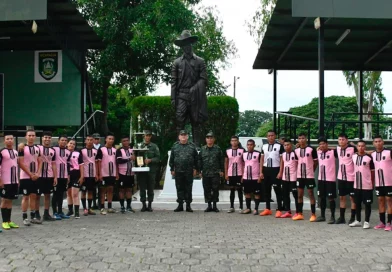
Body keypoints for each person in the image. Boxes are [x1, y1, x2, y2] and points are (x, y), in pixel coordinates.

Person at [171, 30, 208, 147]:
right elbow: (173, 82)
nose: (186, 46)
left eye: (188, 43)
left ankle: (196, 147)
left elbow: (204, 79)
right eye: (184, 44)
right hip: (181, 96)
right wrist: (173, 98)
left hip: (194, 96)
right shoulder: (177, 62)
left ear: (191, 44)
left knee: (196, 122)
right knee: (179, 121)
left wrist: (195, 88)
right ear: (182, 46)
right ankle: (178, 146)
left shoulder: (200, 61)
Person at [169, 130, 198, 212]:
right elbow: (172, 158)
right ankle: (180, 205)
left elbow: (196, 159)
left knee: (188, 188)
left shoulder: (192, 146)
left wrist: (195, 169)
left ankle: (188, 205)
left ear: (187, 137)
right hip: (178, 171)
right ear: (179, 137)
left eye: (185, 135)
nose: (183, 137)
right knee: (179, 187)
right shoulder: (175, 146)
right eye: (182, 135)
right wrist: (172, 168)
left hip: (189, 171)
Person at [18, 129, 41, 225]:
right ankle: (24, 217)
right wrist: (30, 174)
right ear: (26, 137)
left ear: (35, 137)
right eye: (29, 135)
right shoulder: (22, 148)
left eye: (33, 135)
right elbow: (21, 163)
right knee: (25, 196)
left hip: (35, 176)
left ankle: (33, 217)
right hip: (25, 177)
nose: (31, 137)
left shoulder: (37, 148)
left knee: (34, 196)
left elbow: (40, 161)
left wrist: (38, 173)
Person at [349, 140, 374, 229]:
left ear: (365, 147)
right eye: (359, 146)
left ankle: (367, 222)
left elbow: (372, 172)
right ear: (357, 147)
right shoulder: (354, 156)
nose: (361, 148)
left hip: (367, 185)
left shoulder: (369, 158)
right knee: (357, 203)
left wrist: (372, 184)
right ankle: (358, 220)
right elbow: (346, 145)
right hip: (357, 185)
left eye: (362, 146)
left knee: (367, 204)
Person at [259, 130, 284, 217]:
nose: (270, 137)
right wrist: (261, 172)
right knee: (266, 190)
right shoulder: (264, 146)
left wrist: (280, 171)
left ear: (275, 136)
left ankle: (279, 209)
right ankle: (267, 208)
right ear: (267, 137)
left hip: (276, 169)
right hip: (266, 169)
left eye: (272, 135)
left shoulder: (280, 146)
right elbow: (262, 159)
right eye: (269, 136)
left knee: (277, 190)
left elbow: (282, 160)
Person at [294, 133, 318, 222]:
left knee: (311, 193)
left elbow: (316, 162)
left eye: (303, 138)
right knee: (299, 195)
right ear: (298, 140)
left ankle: (313, 214)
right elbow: (296, 162)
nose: (301, 140)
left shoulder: (311, 149)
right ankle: (300, 214)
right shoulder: (296, 150)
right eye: (299, 138)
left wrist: (311, 170)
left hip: (309, 176)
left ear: (306, 139)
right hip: (300, 176)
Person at [198, 131, 224, 212]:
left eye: (211, 138)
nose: (209, 140)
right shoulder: (202, 149)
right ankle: (209, 205)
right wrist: (199, 171)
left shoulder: (218, 149)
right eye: (208, 138)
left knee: (215, 189)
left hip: (215, 173)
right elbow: (199, 161)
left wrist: (222, 170)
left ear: (214, 139)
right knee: (207, 189)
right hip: (205, 173)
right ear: (206, 139)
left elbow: (221, 161)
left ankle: (215, 206)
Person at [371, 135, 392, 231]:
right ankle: (382, 222)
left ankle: (389, 222)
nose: (378, 143)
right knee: (380, 201)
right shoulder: (372, 154)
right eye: (376, 141)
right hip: (379, 183)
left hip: (389, 182)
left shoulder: (389, 152)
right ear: (373, 143)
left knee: (389, 201)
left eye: (379, 141)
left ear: (383, 142)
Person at [336, 133, 358, 224]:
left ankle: (353, 218)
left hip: (351, 178)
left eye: (343, 139)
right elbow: (326, 148)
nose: (341, 141)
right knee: (342, 197)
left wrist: (355, 146)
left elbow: (362, 152)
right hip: (341, 177)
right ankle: (342, 217)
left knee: (353, 198)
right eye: (340, 139)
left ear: (347, 140)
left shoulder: (352, 148)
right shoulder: (337, 149)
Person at [36, 131, 58, 222]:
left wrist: (55, 177)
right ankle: (36, 214)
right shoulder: (37, 148)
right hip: (39, 176)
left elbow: (53, 164)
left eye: (49, 137)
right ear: (42, 138)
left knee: (47, 195)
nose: (47, 139)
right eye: (45, 137)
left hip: (49, 176)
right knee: (37, 195)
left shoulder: (53, 150)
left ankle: (46, 214)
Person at [315, 137, 338, 224]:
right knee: (321, 197)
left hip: (330, 179)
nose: (322, 146)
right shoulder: (318, 152)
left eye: (323, 144)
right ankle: (322, 215)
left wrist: (331, 148)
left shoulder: (332, 152)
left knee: (331, 198)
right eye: (320, 144)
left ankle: (332, 216)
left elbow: (341, 148)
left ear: (327, 144)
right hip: (321, 179)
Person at [0, 135, 20, 230]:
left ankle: (9, 220)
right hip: (5, 181)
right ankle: (4, 221)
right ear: (4, 141)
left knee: (10, 200)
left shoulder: (16, 152)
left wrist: (17, 179)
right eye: (7, 139)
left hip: (14, 181)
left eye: (11, 139)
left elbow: (16, 166)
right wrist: (0, 180)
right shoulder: (2, 152)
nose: (9, 140)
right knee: (4, 200)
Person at [137, 130, 160, 212]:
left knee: (151, 188)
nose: (147, 137)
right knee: (142, 188)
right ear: (143, 136)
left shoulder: (154, 146)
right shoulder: (139, 145)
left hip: (151, 170)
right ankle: (143, 205)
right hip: (141, 170)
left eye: (149, 136)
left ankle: (150, 205)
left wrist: (151, 160)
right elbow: (135, 155)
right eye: (146, 136)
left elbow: (158, 158)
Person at [97, 133, 118, 215]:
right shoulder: (101, 149)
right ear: (106, 139)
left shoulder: (115, 150)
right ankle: (102, 207)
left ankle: (109, 207)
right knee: (103, 190)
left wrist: (116, 173)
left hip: (112, 173)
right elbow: (98, 162)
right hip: (104, 173)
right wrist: (99, 173)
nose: (111, 140)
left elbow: (116, 162)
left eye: (112, 139)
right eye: (109, 139)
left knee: (110, 189)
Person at [277, 139, 299, 218]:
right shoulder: (283, 154)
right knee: (285, 194)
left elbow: (298, 164)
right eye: (285, 145)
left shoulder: (295, 153)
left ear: (291, 145)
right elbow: (282, 164)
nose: (286, 146)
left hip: (293, 177)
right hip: (285, 177)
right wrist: (280, 173)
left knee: (295, 195)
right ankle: (288, 211)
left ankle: (298, 212)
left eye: (288, 145)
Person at [241, 139, 262, 215]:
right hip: (246, 177)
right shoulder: (244, 154)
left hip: (255, 177)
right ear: (246, 145)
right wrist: (242, 176)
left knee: (257, 193)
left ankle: (256, 209)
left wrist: (260, 175)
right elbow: (243, 165)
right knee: (247, 193)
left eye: (251, 145)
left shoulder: (258, 154)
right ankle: (248, 208)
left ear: (254, 145)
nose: (249, 146)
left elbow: (261, 165)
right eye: (248, 145)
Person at [225, 135, 245, 213]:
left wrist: (243, 175)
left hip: (239, 173)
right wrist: (226, 173)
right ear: (230, 142)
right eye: (232, 140)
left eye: (235, 140)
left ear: (238, 141)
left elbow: (244, 163)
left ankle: (241, 207)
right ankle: (231, 207)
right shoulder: (227, 150)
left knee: (240, 190)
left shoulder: (242, 150)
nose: (234, 142)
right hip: (230, 173)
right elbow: (226, 162)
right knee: (232, 190)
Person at [52, 135, 71, 219]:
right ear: (58, 141)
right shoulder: (54, 150)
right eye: (62, 140)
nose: (63, 142)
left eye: (65, 140)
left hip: (64, 176)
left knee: (61, 195)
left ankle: (60, 211)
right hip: (56, 176)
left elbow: (68, 164)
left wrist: (68, 176)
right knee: (55, 194)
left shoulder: (68, 152)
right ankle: (54, 212)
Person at [80, 135, 99, 216]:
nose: (90, 141)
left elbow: (97, 162)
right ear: (85, 141)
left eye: (91, 140)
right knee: (83, 192)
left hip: (93, 174)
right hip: (85, 174)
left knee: (91, 191)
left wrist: (97, 174)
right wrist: (81, 175)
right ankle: (84, 208)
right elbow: (80, 164)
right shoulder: (81, 151)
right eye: (88, 140)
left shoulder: (96, 151)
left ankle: (89, 208)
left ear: (93, 141)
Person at [116, 135, 136, 213]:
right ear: (122, 142)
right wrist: (129, 159)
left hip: (131, 173)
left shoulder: (132, 150)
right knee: (121, 190)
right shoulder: (119, 151)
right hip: (122, 173)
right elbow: (119, 161)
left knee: (129, 189)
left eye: (127, 140)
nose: (126, 142)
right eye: (124, 141)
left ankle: (128, 206)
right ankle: (122, 206)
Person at [66, 139, 84, 219]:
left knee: (75, 194)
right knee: (69, 194)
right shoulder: (64, 153)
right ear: (67, 144)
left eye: (74, 144)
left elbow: (81, 165)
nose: (72, 145)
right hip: (66, 175)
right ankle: (70, 211)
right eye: (70, 143)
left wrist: (82, 176)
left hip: (76, 174)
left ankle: (77, 212)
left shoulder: (78, 154)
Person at [92, 133, 101, 209]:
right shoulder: (90, 148)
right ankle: (94, 202)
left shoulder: (102, 148)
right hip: (92, 169)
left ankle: (100, 203)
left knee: (100, 187)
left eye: (98, 139)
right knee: (93, 188)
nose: (96, 140)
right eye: (95, 139)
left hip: (101, 169)